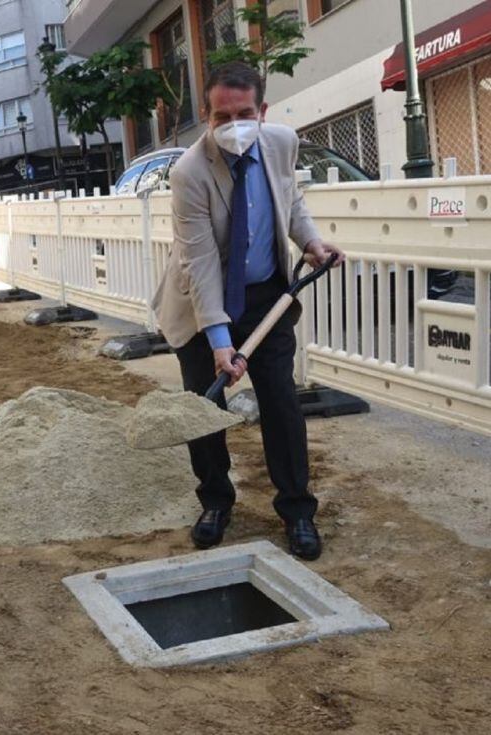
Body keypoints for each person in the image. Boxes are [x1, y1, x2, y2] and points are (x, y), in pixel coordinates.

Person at [150, 62, 344, 561]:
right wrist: (220, 342)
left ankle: (297, 510)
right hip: (201, 303)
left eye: (243, 114)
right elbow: (199, 263)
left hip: (266, 297)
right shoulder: (189, 172)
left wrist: (311, 242)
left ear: (263, 111)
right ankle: (216, 502)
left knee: (281, 402)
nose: (233, 124)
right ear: (206, 115)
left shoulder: (281, 142)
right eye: (221, 116)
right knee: (204, 405)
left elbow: (290, 200)